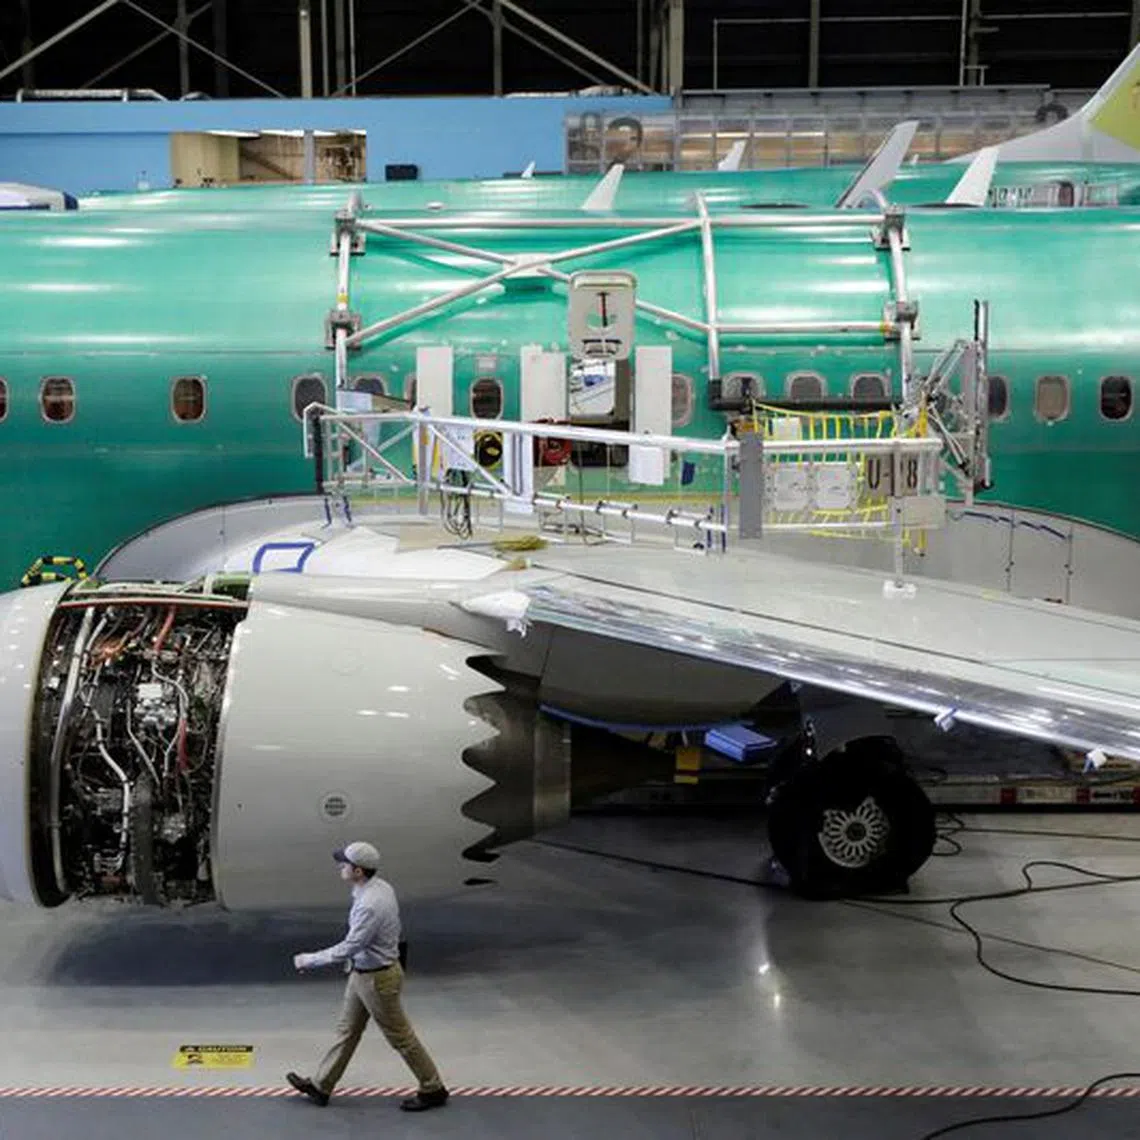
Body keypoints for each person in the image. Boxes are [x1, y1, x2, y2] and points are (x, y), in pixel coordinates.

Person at [285, 841, 449, 1113]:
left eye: (344, 864)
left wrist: (309, 960)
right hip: (363, 974)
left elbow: (350, 947)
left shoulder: (370, 905)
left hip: (378, 980)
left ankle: (433, 1088)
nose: (340, 866)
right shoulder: (378, 887)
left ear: (358, 870)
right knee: (347, 1031)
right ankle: (321, 1085)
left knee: (401, 1038)